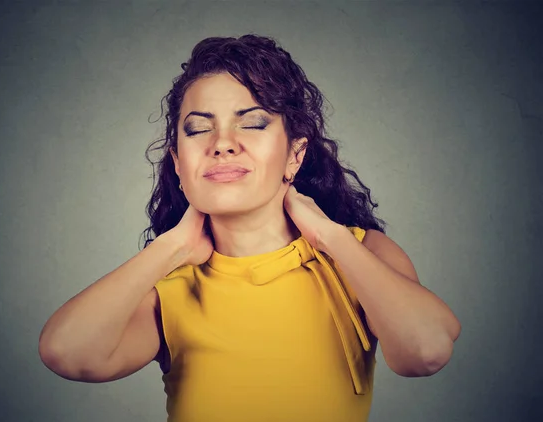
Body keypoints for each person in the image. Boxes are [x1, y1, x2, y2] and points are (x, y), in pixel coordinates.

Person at [39, 34, 461, 422]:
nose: (221, 143)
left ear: (295, 155)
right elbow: (66, 352)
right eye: (200, 128)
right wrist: (171, 248)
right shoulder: (168, 292)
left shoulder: (361, 255)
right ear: (179, 165)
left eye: (252, 122)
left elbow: (426, 352)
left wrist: (329, 236)